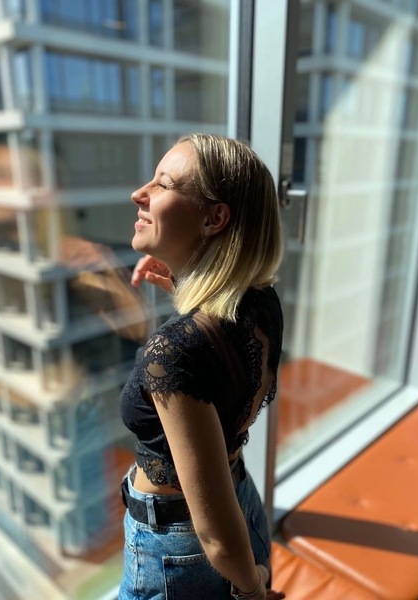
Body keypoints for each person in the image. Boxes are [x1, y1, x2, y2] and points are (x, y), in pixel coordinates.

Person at [118, 133, 286, 600]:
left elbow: (217, 538)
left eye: (163, 184)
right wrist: (182, 277)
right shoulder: (262, 301)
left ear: (214, 219)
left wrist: (252, 592)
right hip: (244, 506)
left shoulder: (172, 353)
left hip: (181, 557)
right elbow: (219, 355)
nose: (139, 193)